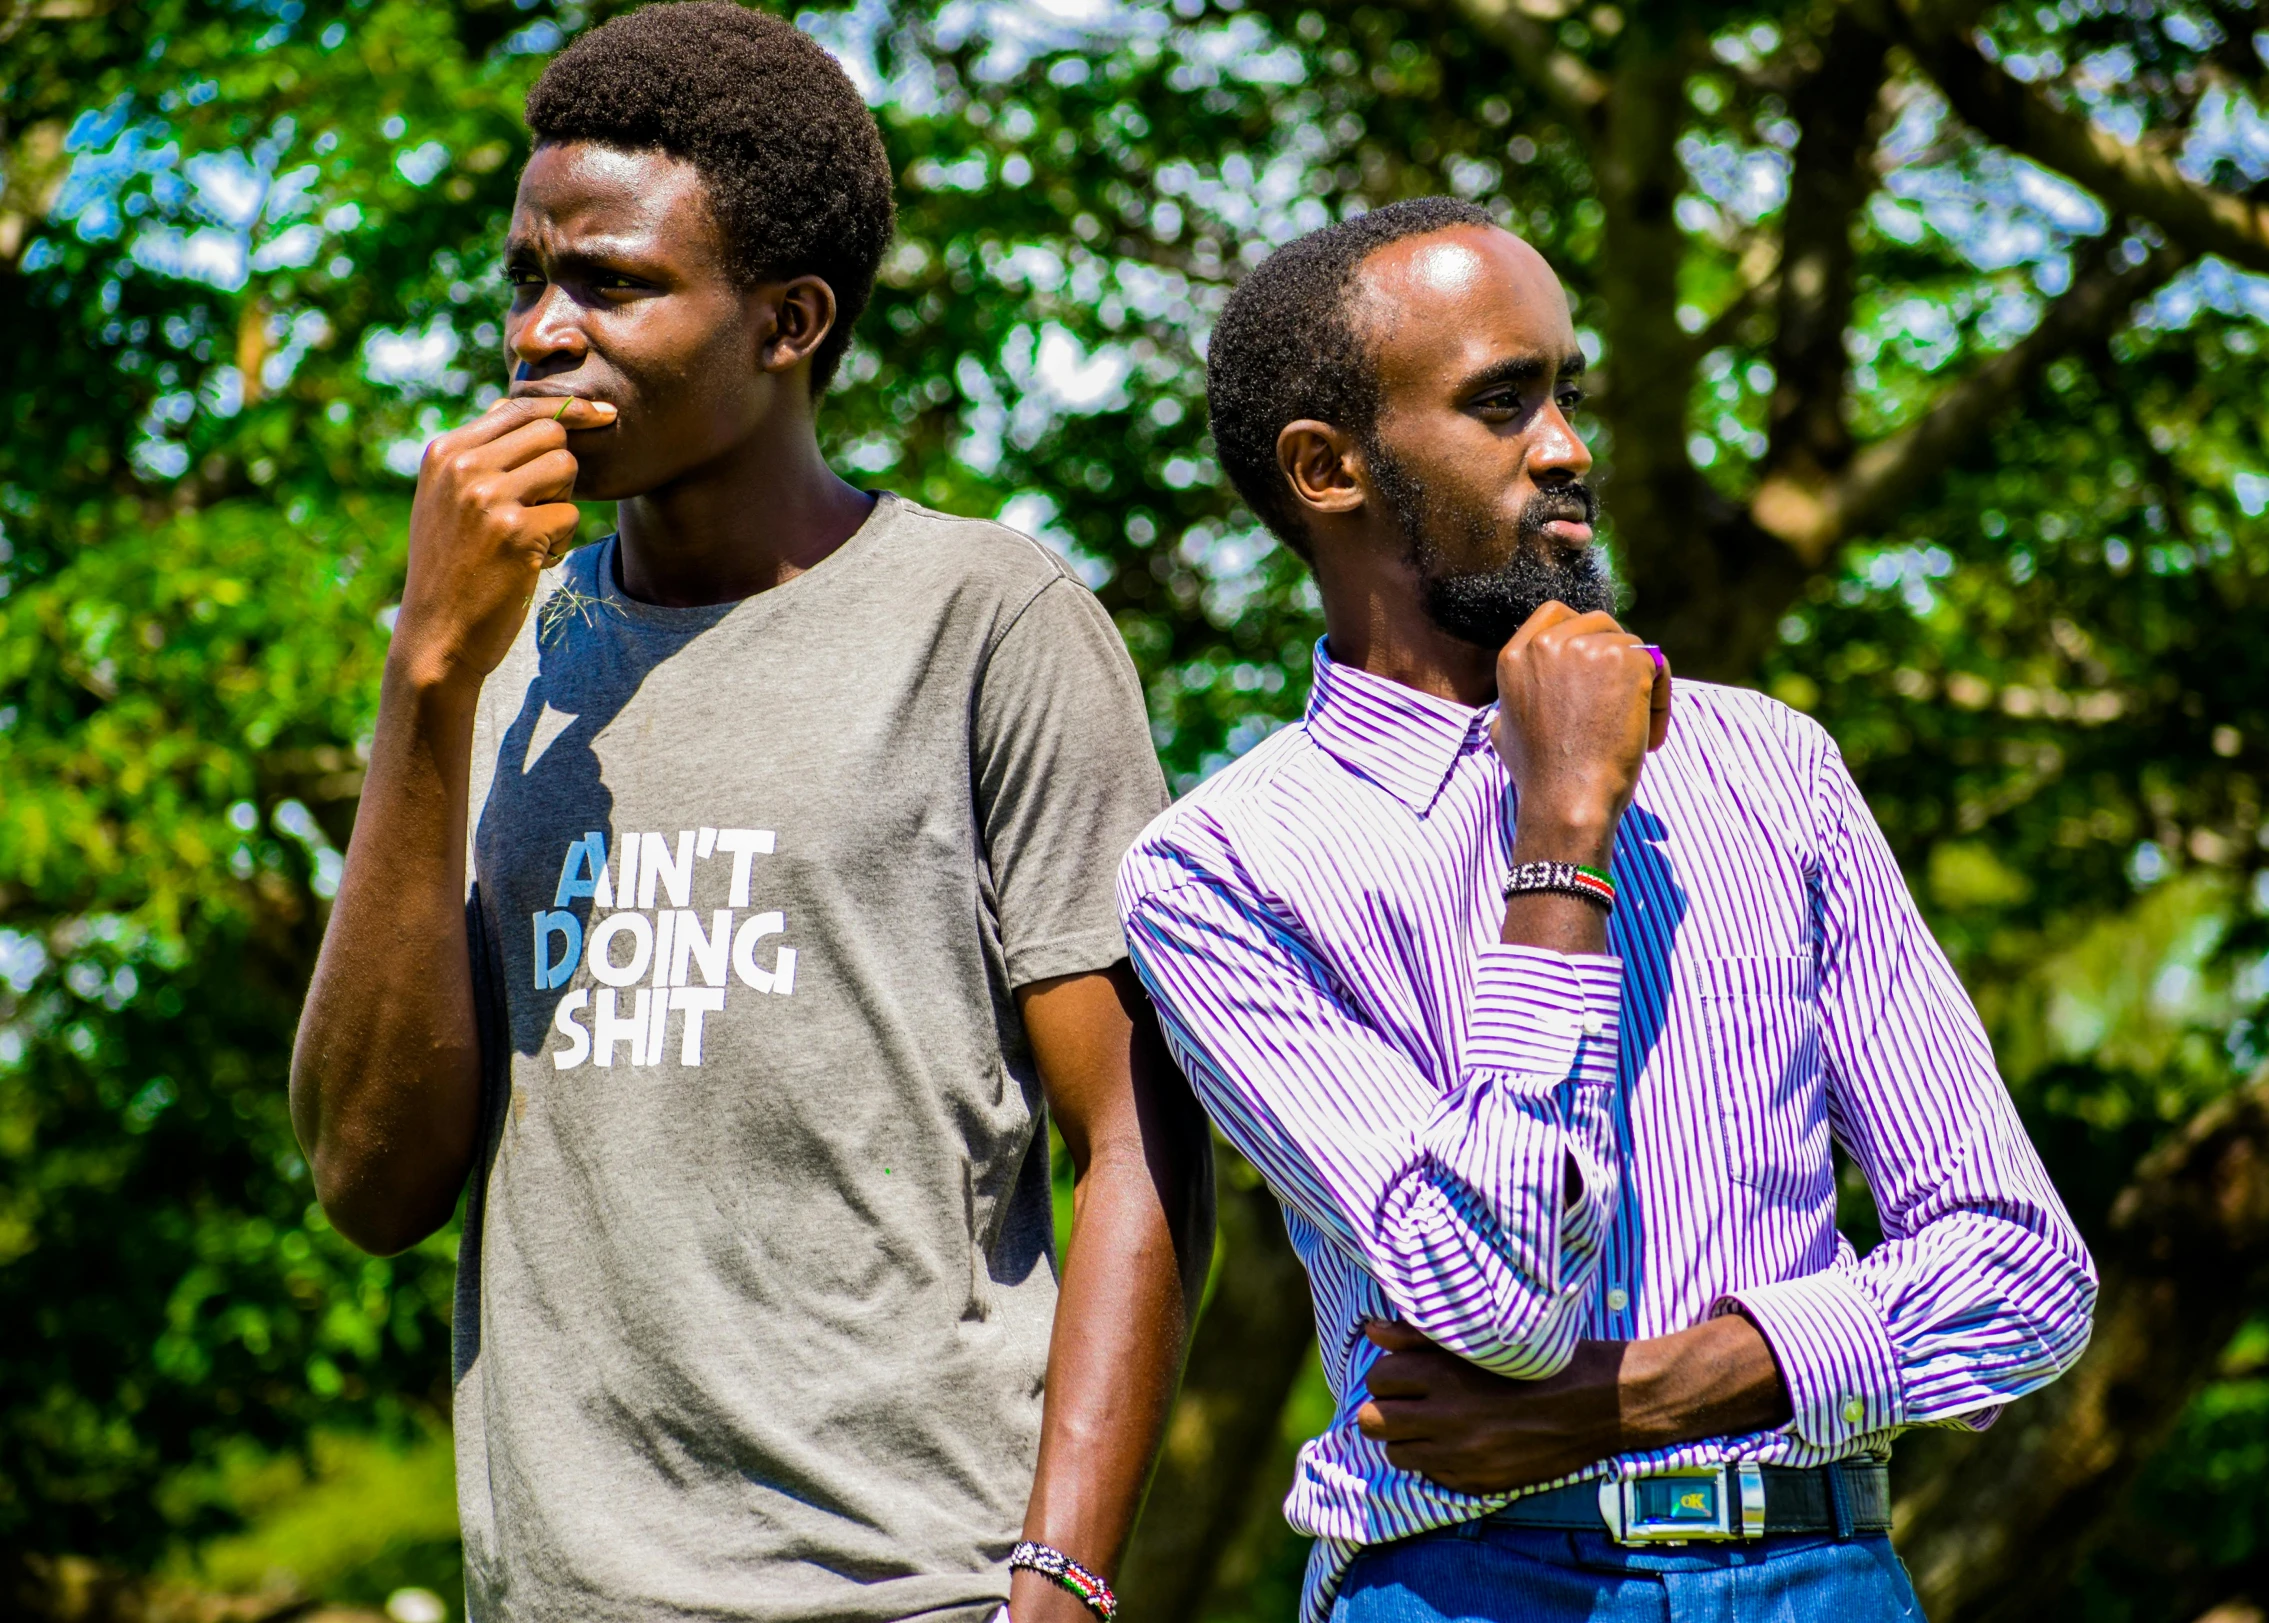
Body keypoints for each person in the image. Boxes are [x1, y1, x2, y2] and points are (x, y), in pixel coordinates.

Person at [290, 8, 1211, 1621]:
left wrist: (1060, 1580)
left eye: (613, 283)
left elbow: (1140, 1134)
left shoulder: (987, 620)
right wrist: (426, 677)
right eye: (526, 277)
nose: (540, 332)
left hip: (913, 1586)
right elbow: (371, 1179)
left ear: (788, 320)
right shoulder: (500, 661)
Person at [1117, 195, 2096, 1623]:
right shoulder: (1221, 868)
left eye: (1569, 391)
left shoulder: (1772, 764)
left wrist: (1639, 1394)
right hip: (1463, 1586)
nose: (1570, 445)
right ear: (1329, 469)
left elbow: (2022, 1275)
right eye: (1504, 402)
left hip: (1827, 1575)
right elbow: (1491, 1295)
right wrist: (1563, 832)